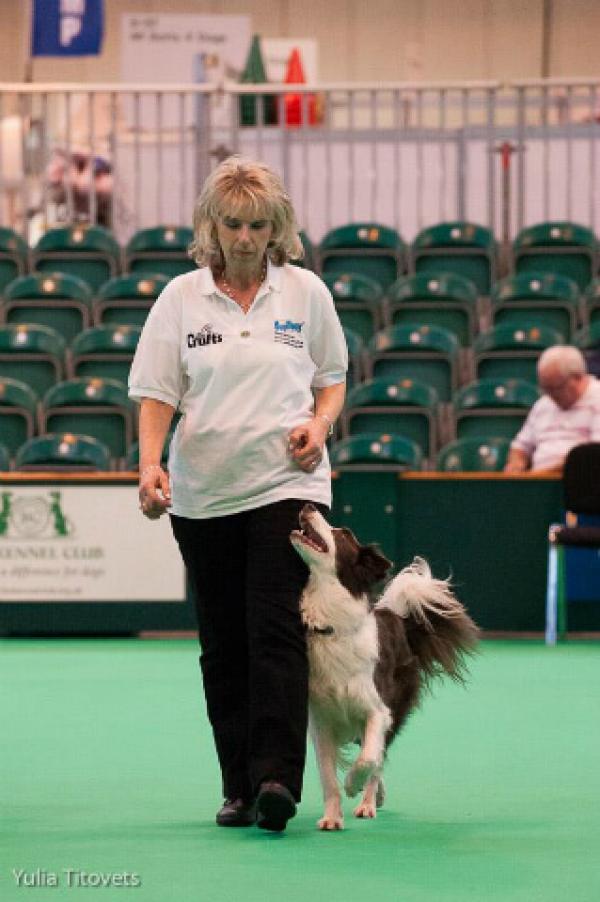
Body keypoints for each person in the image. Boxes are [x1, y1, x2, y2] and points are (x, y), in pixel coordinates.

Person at [128, 156, 347, 833]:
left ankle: (278, 778)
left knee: (275, 629)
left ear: (276, 227)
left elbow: (332, 379)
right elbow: (157, 392)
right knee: (224, 644)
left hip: (287, 484)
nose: (245, 238)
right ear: (211, 226)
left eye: (257, 225)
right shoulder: (180, 299)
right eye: (232, 225)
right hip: (203, 496)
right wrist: (148, 466)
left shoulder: (306, 293)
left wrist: (319, 424)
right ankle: (238, 786)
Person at [504, 345, 600, 473]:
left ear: (578, 377)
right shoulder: (543, 404)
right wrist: (516, 463)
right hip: (538, 482)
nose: (551, 395)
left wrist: (539, 475)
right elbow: (520, 446)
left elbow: (593, 458)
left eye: (556, 388)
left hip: (579, 484)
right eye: (546, 388)